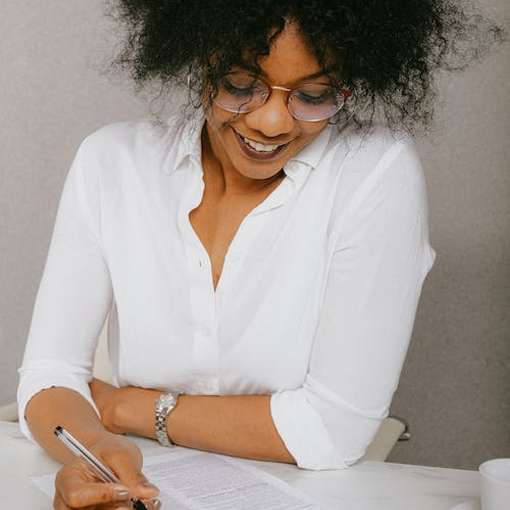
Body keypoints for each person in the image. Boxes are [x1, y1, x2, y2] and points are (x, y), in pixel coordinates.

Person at [16, 1, 503, 509]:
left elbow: (332, 429)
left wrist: (121, 408)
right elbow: (49, 375)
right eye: (241, 85)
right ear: (200, 56)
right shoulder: (112, 163)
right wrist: (95, 451)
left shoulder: (373, 174)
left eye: (314, 95)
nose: (271, 122)